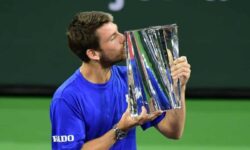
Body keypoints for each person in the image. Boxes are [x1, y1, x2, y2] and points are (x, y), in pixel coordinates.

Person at [50, 11, 191, 150]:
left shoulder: (135, 78)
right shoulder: (67, 98)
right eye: (112, 38)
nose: (123, 38)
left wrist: (179, 86)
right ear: (93, 54)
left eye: (118, 31)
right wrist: (120, 129)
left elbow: (173, 131)